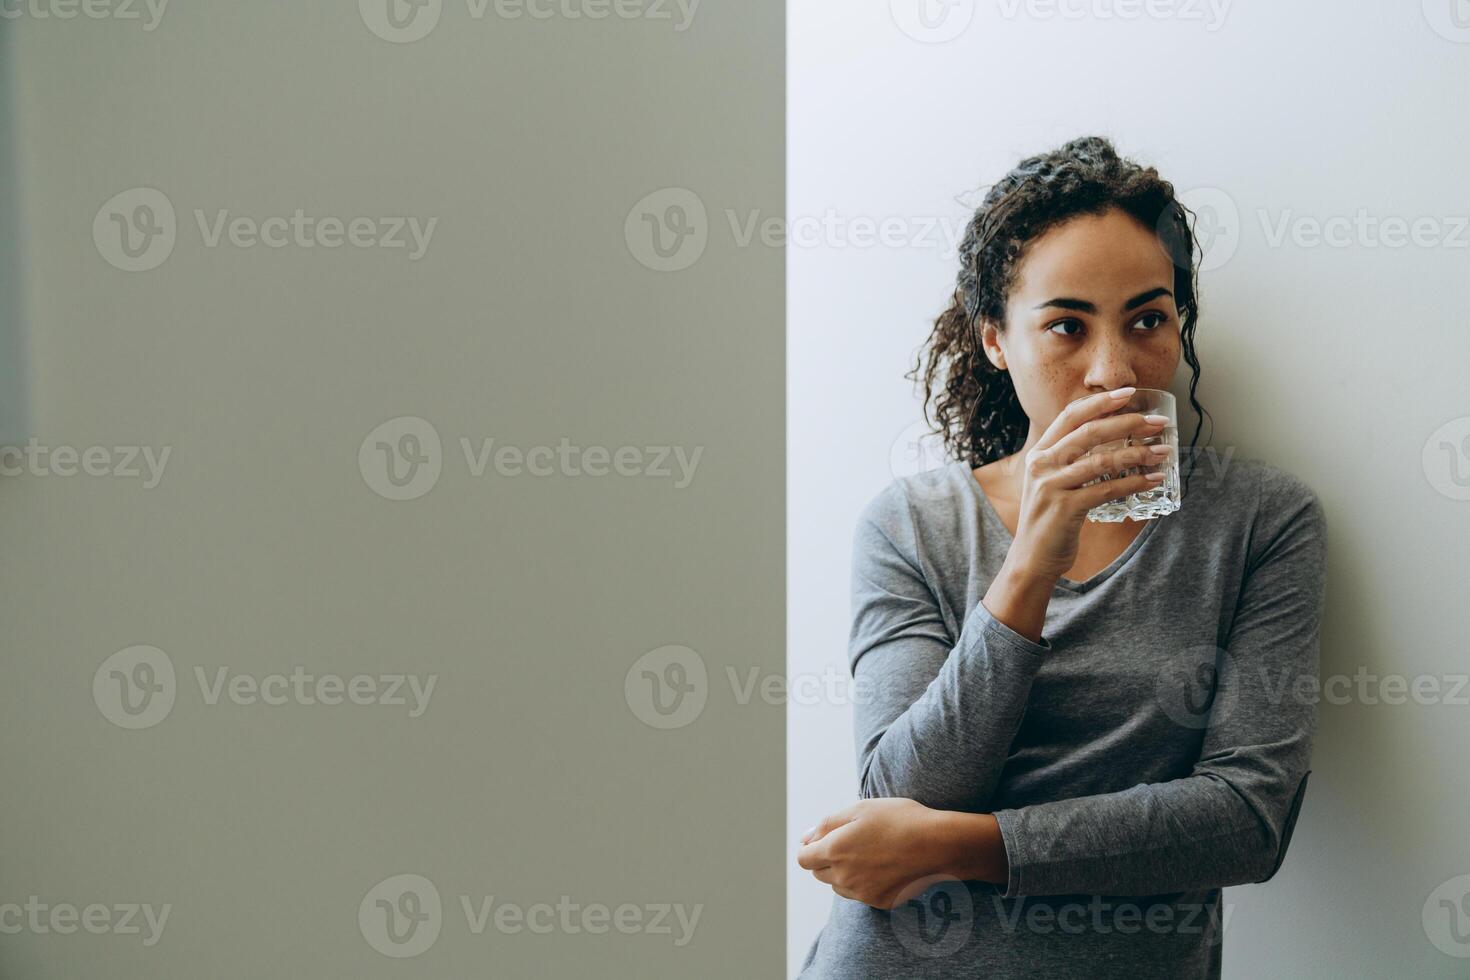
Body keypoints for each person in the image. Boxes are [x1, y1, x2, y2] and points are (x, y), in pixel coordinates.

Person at [795, 135, 1326, 979]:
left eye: (1147, 320)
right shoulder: (913, 525)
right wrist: (1032, 560)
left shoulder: (1261, 521)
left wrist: (966, 847)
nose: (1113, 372)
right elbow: (901, 792)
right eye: (1067, 327)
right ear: (996, 342)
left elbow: (1245, 822)